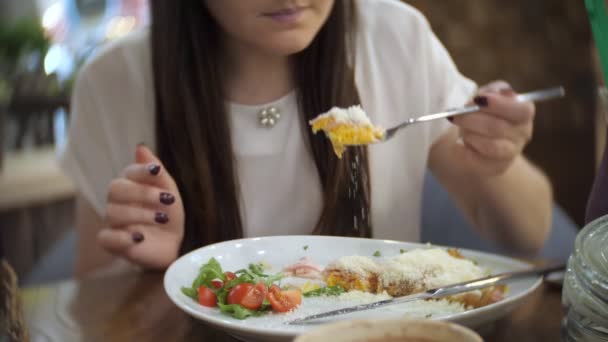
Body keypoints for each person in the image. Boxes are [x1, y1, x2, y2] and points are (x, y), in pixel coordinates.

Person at [61, 0, 553, 276]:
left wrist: (498, 160)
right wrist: (154, 267)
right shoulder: (115, 82)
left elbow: (527, 233)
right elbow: (90, 290)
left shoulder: (395, 38)